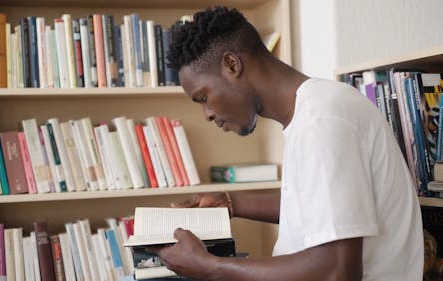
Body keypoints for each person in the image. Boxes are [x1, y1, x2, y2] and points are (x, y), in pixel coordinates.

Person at [151, 6, 424, 281]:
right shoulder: (313, 112)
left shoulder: (322, 121)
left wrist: (212, 267)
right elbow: (318, 207)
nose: (207, 114)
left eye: (202, 97)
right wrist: (230, 204)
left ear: (232, 65)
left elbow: (337, 271)